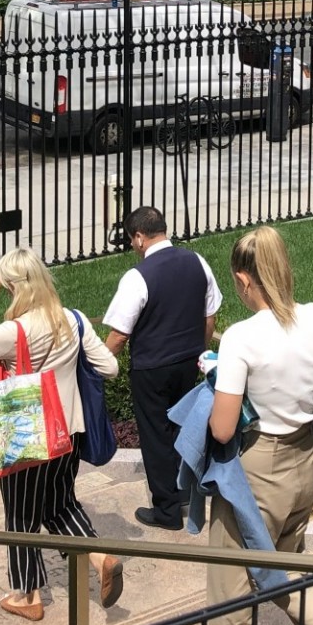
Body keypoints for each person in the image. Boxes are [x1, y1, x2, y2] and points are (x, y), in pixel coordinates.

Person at [195, 226, 313, 625]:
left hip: (258, 467)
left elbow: (221, 427)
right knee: (280, 570)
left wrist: (217, 378)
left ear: (243, 280)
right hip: (305, 463)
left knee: (229, 588)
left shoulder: (241, 336)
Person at [0, 248, 126, 621]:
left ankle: (27, 596)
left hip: (28, 437)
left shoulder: (14, 331)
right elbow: (109, 367)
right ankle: (100, 556)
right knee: (60, 505)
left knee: (21, 516)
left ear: (12, 286)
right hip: (70, 433)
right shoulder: (73, 320)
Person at [102, 205, 222, 530]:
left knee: (156, 435)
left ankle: (167, 511)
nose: (132, 245)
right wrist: (200, 349)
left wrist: (95, 368)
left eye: (131, 240)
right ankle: (183, 491)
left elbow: (118, 334)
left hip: (151, 368)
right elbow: (209, 316)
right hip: (188, 362)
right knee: (183, 426)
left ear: (139, 237)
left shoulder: (137, 276)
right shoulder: (197, 261)